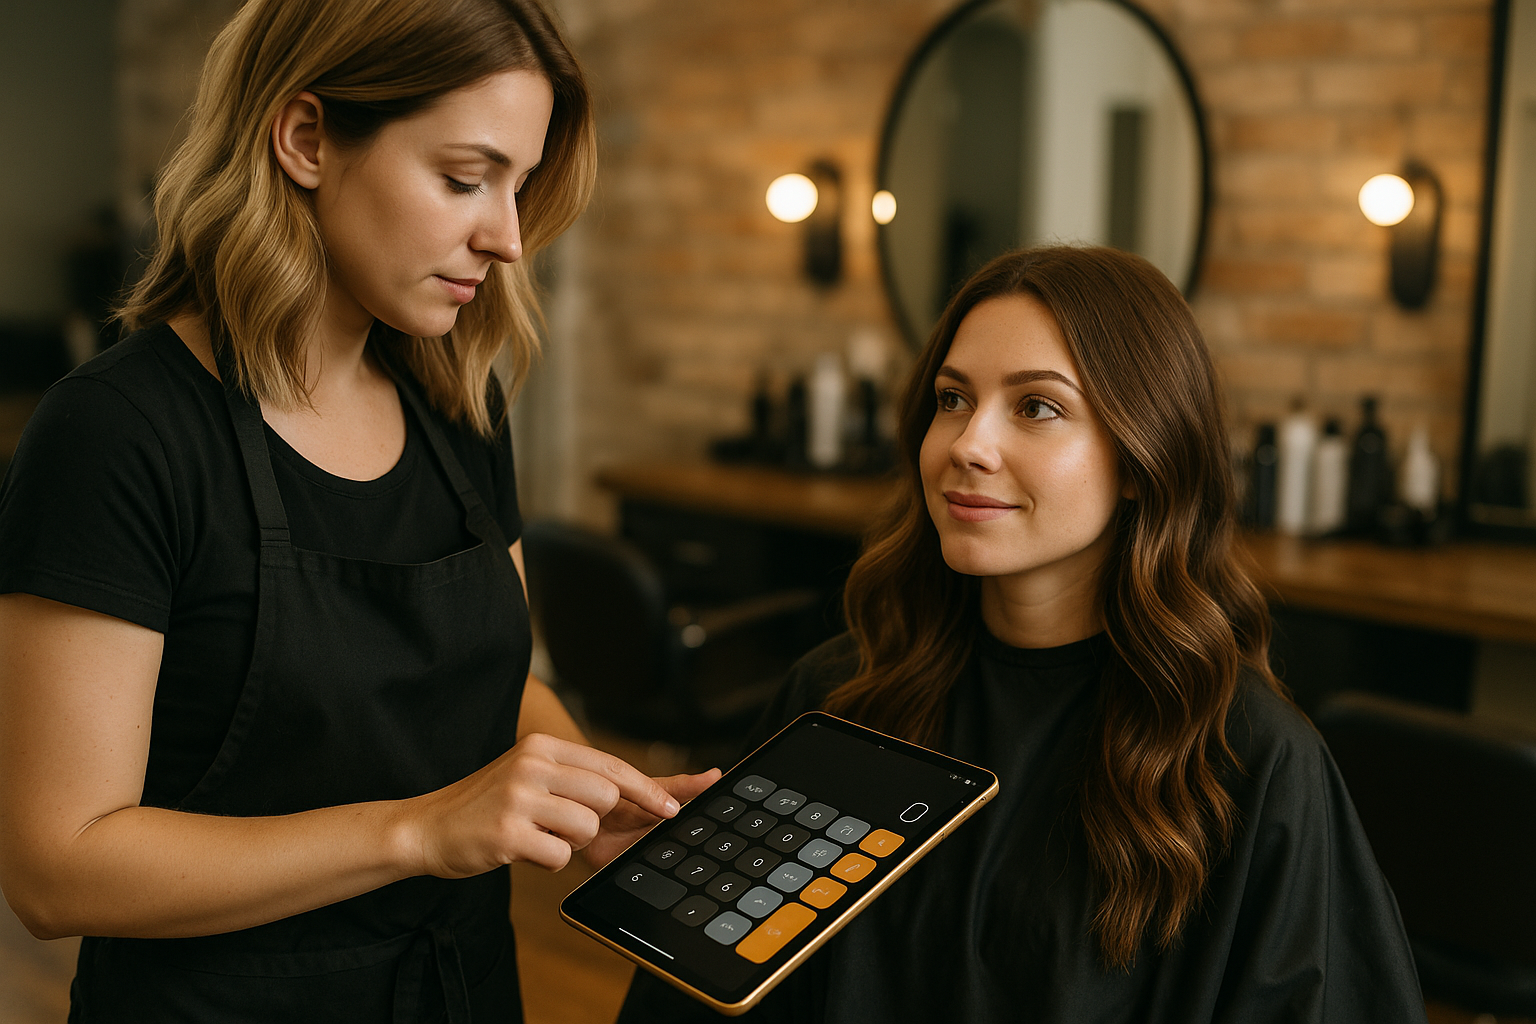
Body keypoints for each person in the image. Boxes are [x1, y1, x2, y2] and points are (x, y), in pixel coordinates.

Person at [0, 1, 717, 1020]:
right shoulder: (119, 435)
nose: (508, 237)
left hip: (460, 988)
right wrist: (418, 831)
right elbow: (55, 870)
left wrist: (588, 798)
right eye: (465, 179)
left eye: (519, 185)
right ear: (305, 140)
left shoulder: (459, 405)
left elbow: (497, 678)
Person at [620, 246, 1428, 1024]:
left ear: (1144, 456)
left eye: (1037, 407)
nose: (969, 445)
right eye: (952, 399)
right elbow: (698, 993)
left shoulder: (1248, 760)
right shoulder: (840, 699)